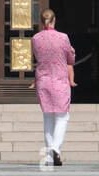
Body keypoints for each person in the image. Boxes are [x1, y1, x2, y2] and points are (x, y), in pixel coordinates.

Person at [28, 9, 75, 165]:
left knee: (48, 116)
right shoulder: (63, 38)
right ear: (54, 19)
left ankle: (49, 156)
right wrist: (72, 53)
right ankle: (55, 148)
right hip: (60, 79)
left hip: (44, 80)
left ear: (42, 21)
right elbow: (70, 59)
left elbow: (37, 56)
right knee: (62, 116)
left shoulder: (36, 38)